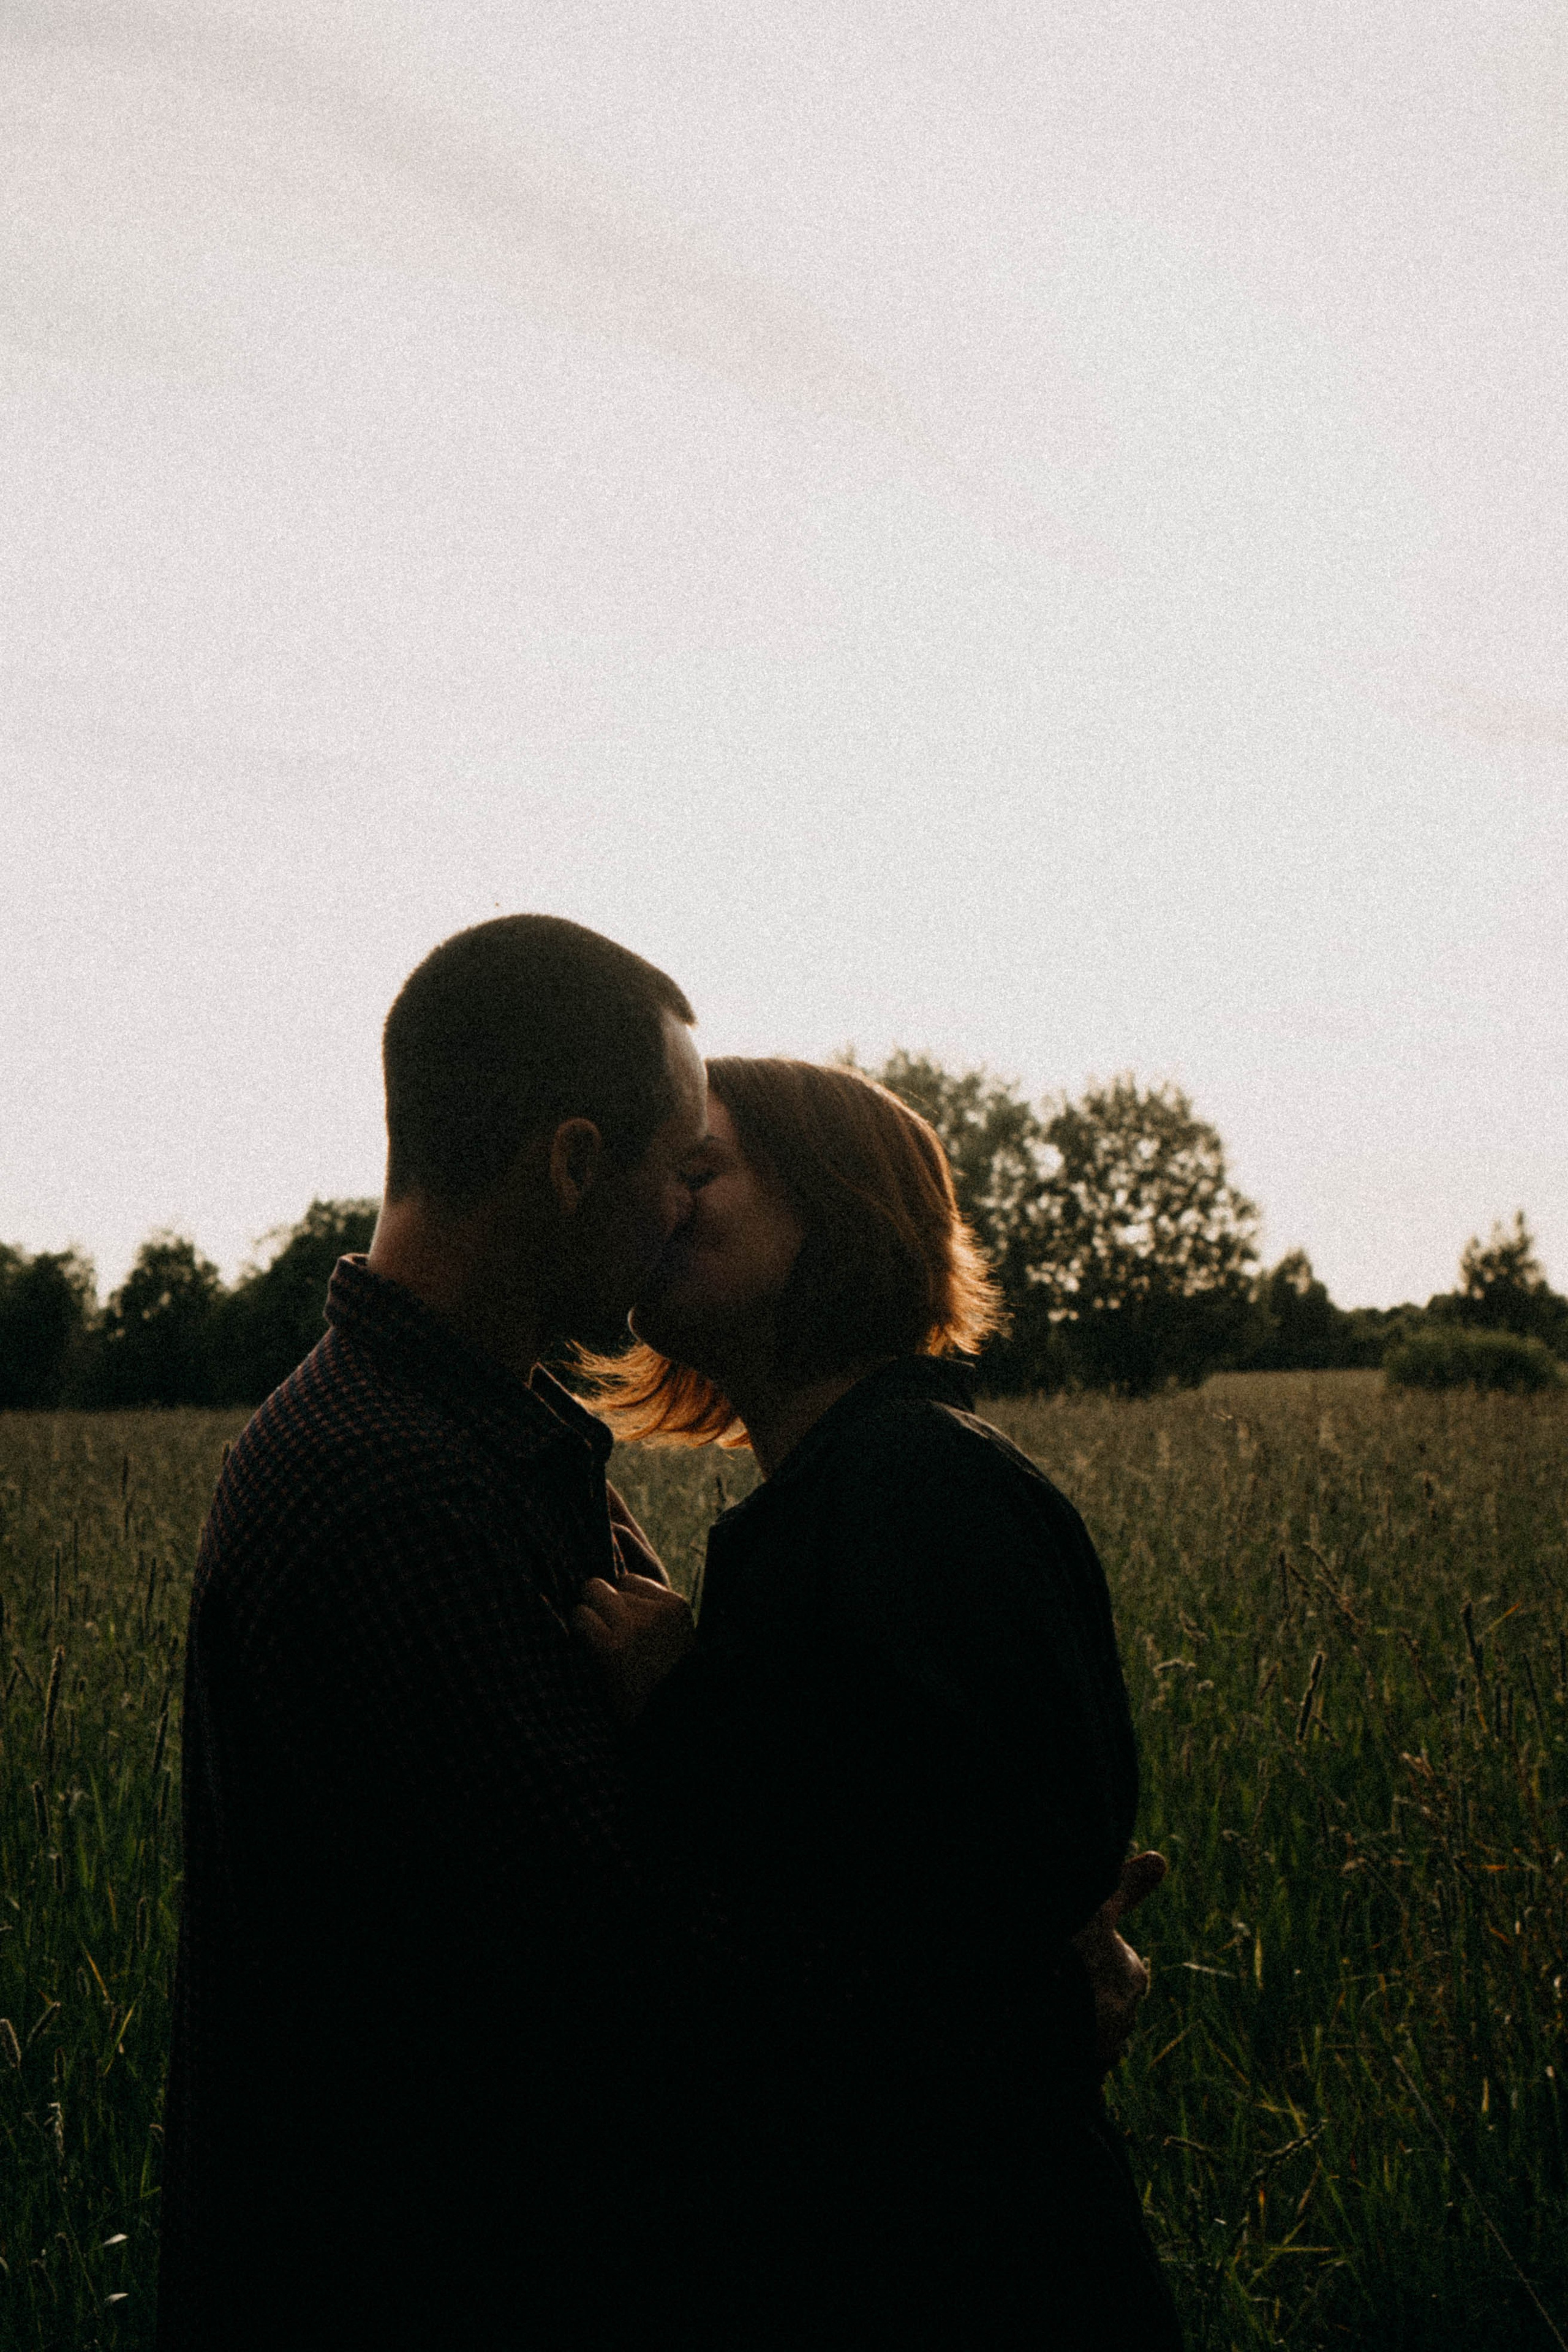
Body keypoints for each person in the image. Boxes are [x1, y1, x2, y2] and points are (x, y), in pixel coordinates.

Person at [156, 915, 708, 2351]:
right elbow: (603, 1980)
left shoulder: (442, 1434)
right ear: (574, 1162)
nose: (682, 1216)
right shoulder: (397, 1493)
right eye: (673, 1169)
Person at [574, 1057, 1183, 2350]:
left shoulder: (917, 1488)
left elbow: (920, 1919)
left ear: (831, 1207)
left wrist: (677, 1710)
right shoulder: (846, 1491)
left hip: (976, 2271)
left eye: (700, 1167)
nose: (658, 1199)